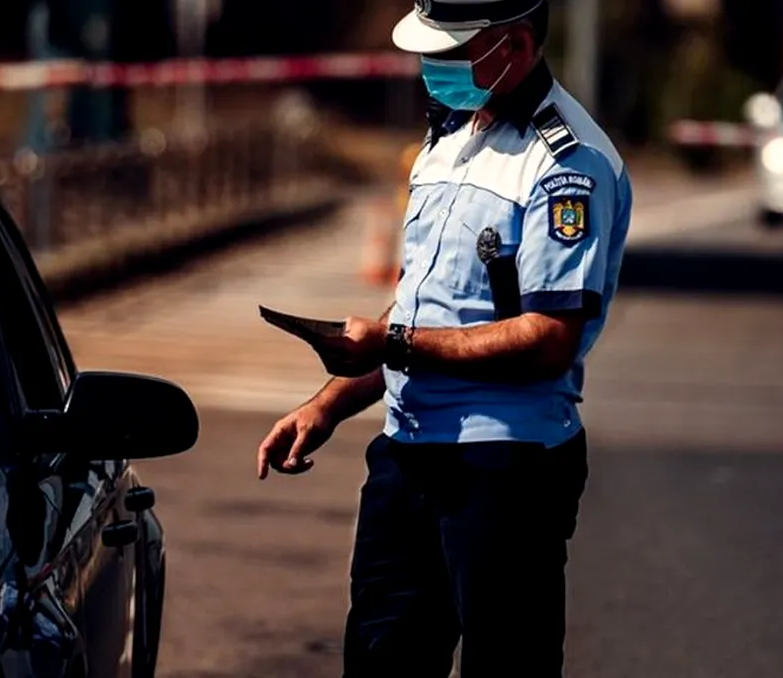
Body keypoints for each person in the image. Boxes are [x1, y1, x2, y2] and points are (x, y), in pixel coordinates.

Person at [256, 0, 632, 675]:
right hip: (408, 456)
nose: (433, 65)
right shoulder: (449, 137)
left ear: (514, 45)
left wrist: (392, 346)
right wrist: (326, 407)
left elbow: (550, 337)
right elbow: (421, 308)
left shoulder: (565, 163)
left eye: (451, 50)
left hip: (503, 470)